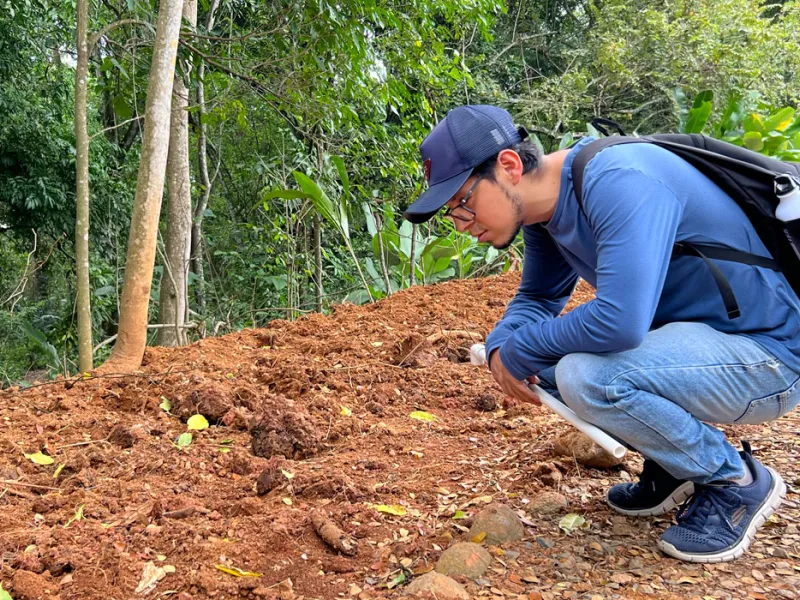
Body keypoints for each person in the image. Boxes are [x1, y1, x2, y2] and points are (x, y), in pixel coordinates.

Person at [403, 104, 800, 563]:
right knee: (549, 363)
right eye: (453, 213)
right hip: (701, 348)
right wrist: (500, 348)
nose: (463, 224)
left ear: (508, 166)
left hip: (770, 356)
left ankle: (736, 482)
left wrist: (521, 349)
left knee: (587, 376)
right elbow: (535, 299)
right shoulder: (544, 215)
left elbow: (620, 319)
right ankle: (677, 466)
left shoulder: (618, 179)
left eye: (464, 203)